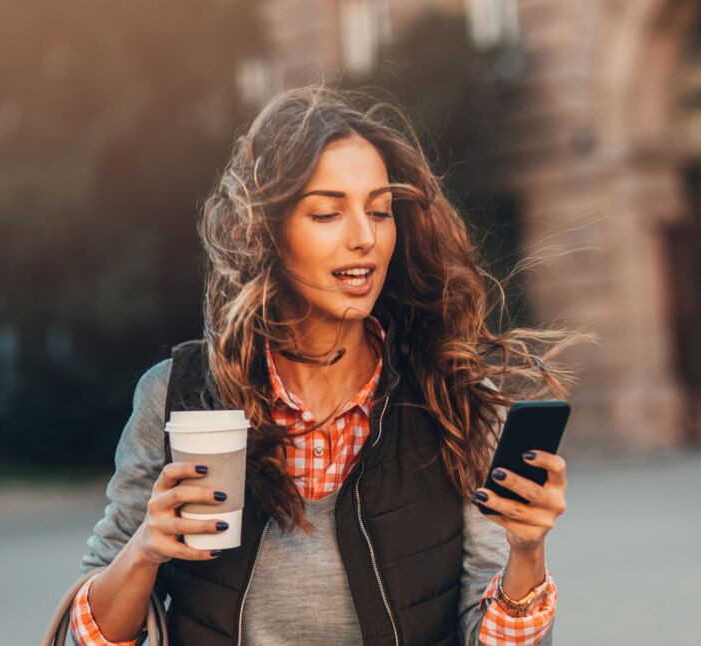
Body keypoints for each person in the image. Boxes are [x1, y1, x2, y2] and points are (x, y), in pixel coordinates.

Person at [69, 85, 579, 645]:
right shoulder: (177, 397)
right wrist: (145, 548)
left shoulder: (454, 401)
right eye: (327, 212)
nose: (363, 238)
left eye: (380, 211)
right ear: (267, 229)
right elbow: (93, 636)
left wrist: (527, 552)